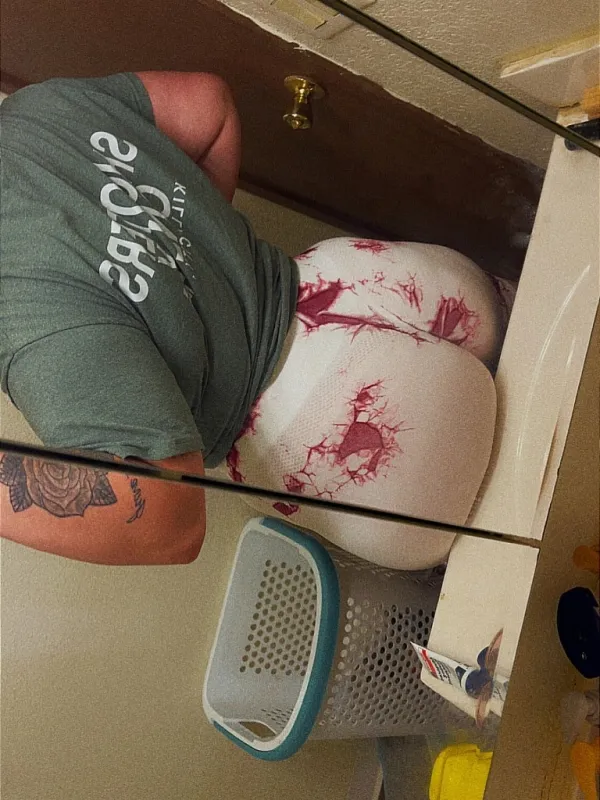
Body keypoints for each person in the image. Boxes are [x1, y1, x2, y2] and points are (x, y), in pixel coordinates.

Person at [0, 72, 515, 568]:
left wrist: (191, 316)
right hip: (374, 277)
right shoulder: (32, 111)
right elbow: (208, 104)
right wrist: (201, 270)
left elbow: (170, 520)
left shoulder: (16, 310)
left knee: (523, 542)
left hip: (322, 421)